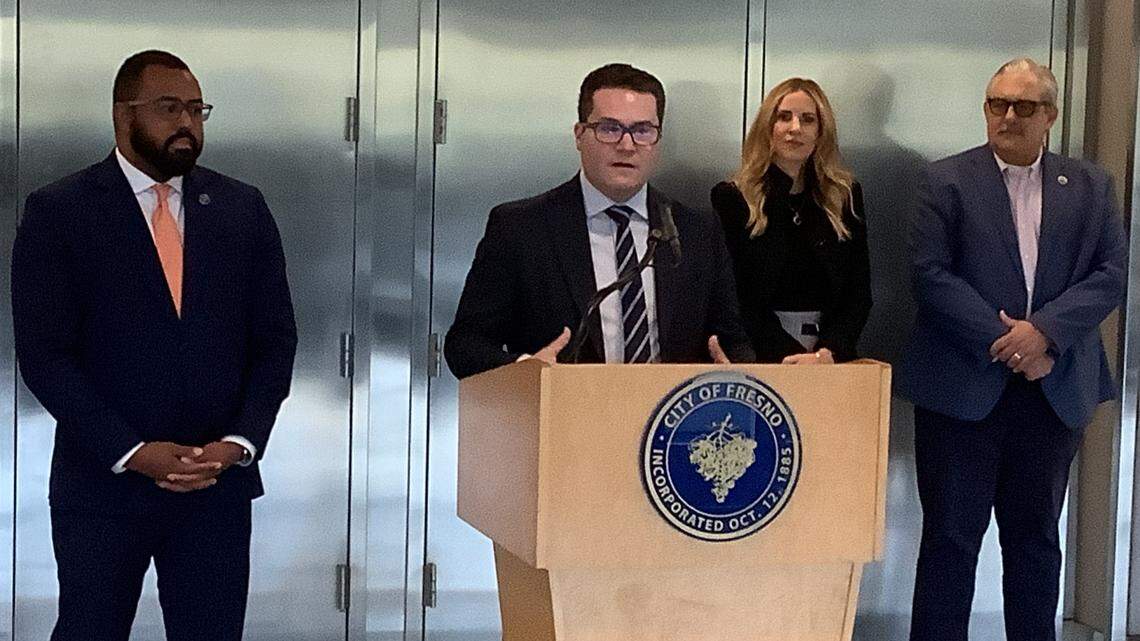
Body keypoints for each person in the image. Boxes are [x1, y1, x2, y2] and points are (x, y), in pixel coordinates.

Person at [10, 50, 297, 641]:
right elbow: (45, 355)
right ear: (124, 115)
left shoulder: (242, 209)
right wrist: (131, 450)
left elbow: (275, 342)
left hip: (216, 487)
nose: (187, 123)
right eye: (170, 108)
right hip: (103, 485)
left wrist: (238, 444)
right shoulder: (59, 212)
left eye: (197, 109)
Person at [900, 58, 1126, 641]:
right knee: (950, 543)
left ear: (1049, 115)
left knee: (1035, 543)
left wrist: (1044, 333)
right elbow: (930, 275)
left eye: (1023, 107)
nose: (1007, 116)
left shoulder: (1092, 185)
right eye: (996, 103)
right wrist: (1012, 344)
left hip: (1052, 395)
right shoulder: (943, 180)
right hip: (960, 393)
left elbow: (1109, 274)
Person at [444, 63, 754, 378]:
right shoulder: (520, 228)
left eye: (643, 130)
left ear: (657, 140)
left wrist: (739, 375)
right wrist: (527, 371)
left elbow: (730, 339)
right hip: (564, 418)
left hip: (671, 422)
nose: (627, 145)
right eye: (609, 128)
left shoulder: (696, 230)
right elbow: (465, 345)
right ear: (580, 135)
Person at [711, 77, 870, 364]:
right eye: (784, 117)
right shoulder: (733, 198)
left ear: (821, 132)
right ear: (767, 127)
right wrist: (789, 357)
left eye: (808, 119)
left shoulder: (843, 196)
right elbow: (735, 297)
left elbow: (858, 293)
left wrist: (827, 354)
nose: (795, 129)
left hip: (831, 358)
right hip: (760, 354)